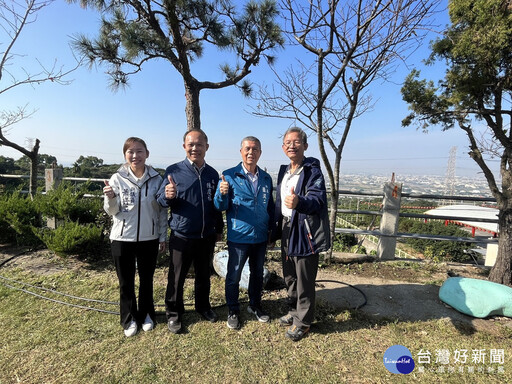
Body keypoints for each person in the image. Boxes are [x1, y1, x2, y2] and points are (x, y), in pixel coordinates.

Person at [156, 129, 224, 334]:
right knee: (177, 278)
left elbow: (216, 205)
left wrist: (219, 228)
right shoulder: (173, 171)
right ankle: (174, 314)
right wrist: (168, 195)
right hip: (182, 235)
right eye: (191, 144)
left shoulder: (212, 174)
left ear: (207, 147)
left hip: (206, 235)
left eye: (199, 144)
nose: (195, 148)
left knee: (204, 274)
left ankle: (203, 307)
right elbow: (160, 200)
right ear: (184, 146)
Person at [103, 137, 167, 337]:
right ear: (125, 155)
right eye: (130, 152)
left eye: (139, 151)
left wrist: (162, 236)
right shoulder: (116, 178)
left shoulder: (157, 179)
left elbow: (162, 211)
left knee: (147, 279)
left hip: (150, 238)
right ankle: (129, 319)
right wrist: (110, 198)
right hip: (122, 239)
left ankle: (147, 314)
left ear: (147, 154)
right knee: (126, 282)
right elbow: (111, 211)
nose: (135, 156)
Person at [274, 127, 330, 341]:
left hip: (304, 231)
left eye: (296, 142)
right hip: (287, 228)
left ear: (305, 146)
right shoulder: (285, 171)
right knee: (289, 275)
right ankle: (295, 311)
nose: (291, 145)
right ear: (282, 147)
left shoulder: (312, 171)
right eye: (287, 142)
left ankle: (304, 322)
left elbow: (317, 201)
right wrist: (275, 230)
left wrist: (300, 202)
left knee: (304, 277)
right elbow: (279, 203)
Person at [214, 136, 275, 330]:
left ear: (260, 153)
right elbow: (219, 206)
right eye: (247, 148)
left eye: (255, 149)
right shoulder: (229, 176)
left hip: (260, 236)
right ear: (241, 151)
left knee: (257, 273)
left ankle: (255, 305)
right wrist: (221, 193)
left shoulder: (266, 178)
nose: (251, 152)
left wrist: (271, 233)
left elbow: (270, 207)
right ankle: (233, 309)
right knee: (234, 274)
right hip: (239, 236)